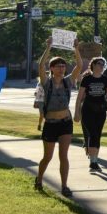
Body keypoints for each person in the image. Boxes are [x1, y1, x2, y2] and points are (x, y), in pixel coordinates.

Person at [35, 38, 83, 197]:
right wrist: (48, 47)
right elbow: (41, 66)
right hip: (50, 123)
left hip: (65, 123)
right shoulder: (46, 83)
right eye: (58, 66)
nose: (62, 69)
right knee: (47, 157)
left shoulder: (68, 82)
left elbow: (79, 66)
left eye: (63, 66)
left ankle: (64, 186)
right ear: (52, 68)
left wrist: (76, 49)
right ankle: (39, 179)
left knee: (64, 155)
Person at [74, 57, 107, 172]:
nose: (102, 66)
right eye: (99, 63)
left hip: (101, 111)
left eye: (103, 64)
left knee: (97, 134)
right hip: (88, 110)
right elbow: (79, 97)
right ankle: (93, 162)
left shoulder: (105, 79)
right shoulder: (87, 79)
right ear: (93, 65)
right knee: (92, 134)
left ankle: (95, 159)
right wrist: (77, 112)